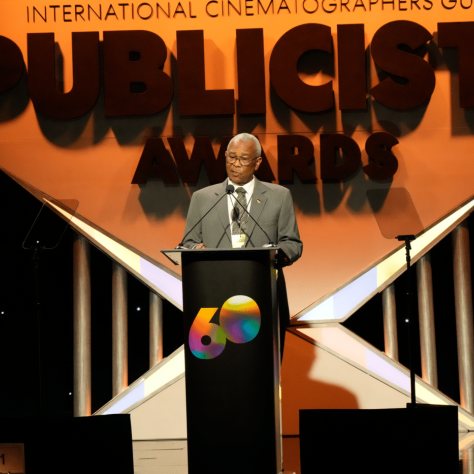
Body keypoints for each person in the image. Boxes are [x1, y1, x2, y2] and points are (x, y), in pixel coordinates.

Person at [182, 133, 303, 356]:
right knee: (220, 365)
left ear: (257, 162)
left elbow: (292, 244)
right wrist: (194, 250)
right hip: (214, 293)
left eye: (243, 159)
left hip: (263, 293)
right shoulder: (203, 198)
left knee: (262, 363)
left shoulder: (279, 196)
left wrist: (275, 254)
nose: (235, 164)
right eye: (231, 157)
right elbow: (188, 242)